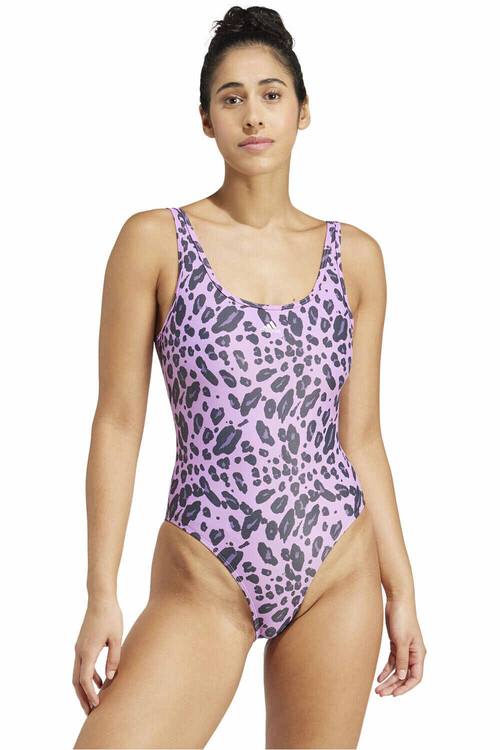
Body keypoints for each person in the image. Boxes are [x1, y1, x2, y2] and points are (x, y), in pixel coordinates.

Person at [73, 6, 426, 748]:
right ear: (206, 119)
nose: (253, 115)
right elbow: (118, 423)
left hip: (337, 566)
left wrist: (403, 588)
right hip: (205, 569)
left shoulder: (356, 259)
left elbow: (362, 438)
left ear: (303, 111)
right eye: (231, 98)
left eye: (271, 94)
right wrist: (101, 593)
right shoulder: (155, 241)